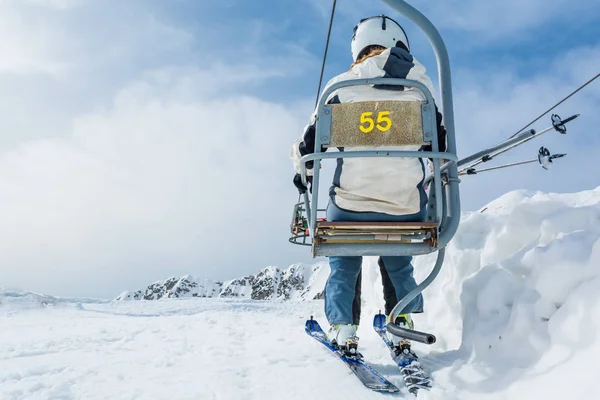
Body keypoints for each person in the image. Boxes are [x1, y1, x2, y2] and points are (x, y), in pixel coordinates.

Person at [291, 15, 447, 350]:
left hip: (350, 206)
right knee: (397, 257)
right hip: (405, 207)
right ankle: (401, 317)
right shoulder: (422, 89)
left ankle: (343, 327)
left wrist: (301, 172)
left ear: (359, 48)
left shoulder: (340, 88)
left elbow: (308, 147)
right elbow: (441, 144)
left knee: (343, 258)